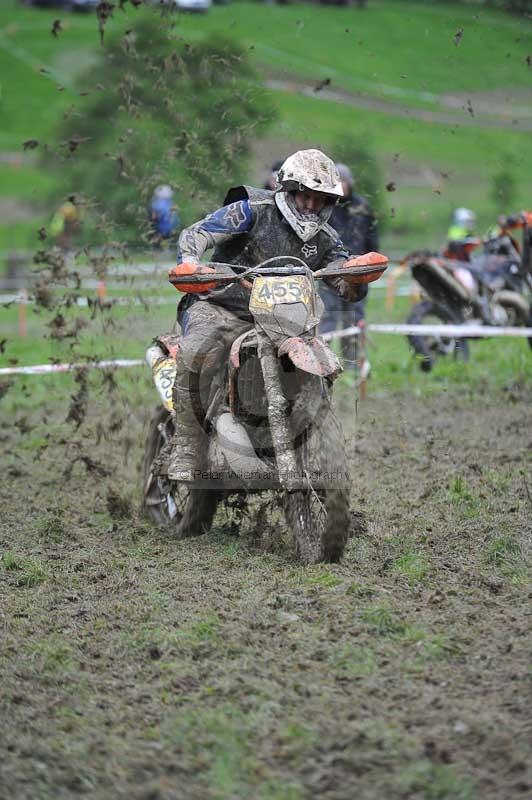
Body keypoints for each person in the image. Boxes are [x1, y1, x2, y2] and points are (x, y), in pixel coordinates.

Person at [167, 149, 372, 481]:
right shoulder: (251, 210)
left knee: (317, 361)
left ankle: (300, 437)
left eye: (320, 200)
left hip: (285, 321)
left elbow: (339, 273)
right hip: (222, 307)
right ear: (288, 191)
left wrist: (354, 276)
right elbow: (198, 233)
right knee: (198, 351)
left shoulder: (326, 238)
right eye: (305, 196)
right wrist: (191, 261)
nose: (311, 206)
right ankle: (187, 448)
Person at [319, 162, 379, 377]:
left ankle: (351, 361)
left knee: (353, 318)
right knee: (328, 316)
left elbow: (372, 237)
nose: (341, 186)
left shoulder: (362, 207)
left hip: (359, 271)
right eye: (338, 181)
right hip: (331, 272)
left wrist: (372, 263)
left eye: (344, 181)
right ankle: (322, 359)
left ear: (350, 183)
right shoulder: (325, 206)